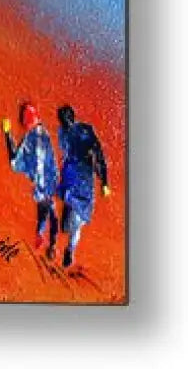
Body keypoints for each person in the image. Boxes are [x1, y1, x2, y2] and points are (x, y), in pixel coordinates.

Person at [2, 103, 59, 259]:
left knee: (47, 211)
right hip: (45, 179)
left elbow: (41, 161)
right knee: (49, 211)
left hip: (44, 180)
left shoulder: (36, 135)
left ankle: (45, 239)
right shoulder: (39, 134)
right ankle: (48, 242)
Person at [56, 104, 110, 268]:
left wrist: (104, 181)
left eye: (66, 119)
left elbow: (98, 155)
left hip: (82, 181)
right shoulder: (65, 132)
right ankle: (70, 245)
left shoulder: (84, 131)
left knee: (76, 220)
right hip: (73, 178)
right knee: (69, 222)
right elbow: (95, 155)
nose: (66, 123)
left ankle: (70, 249)